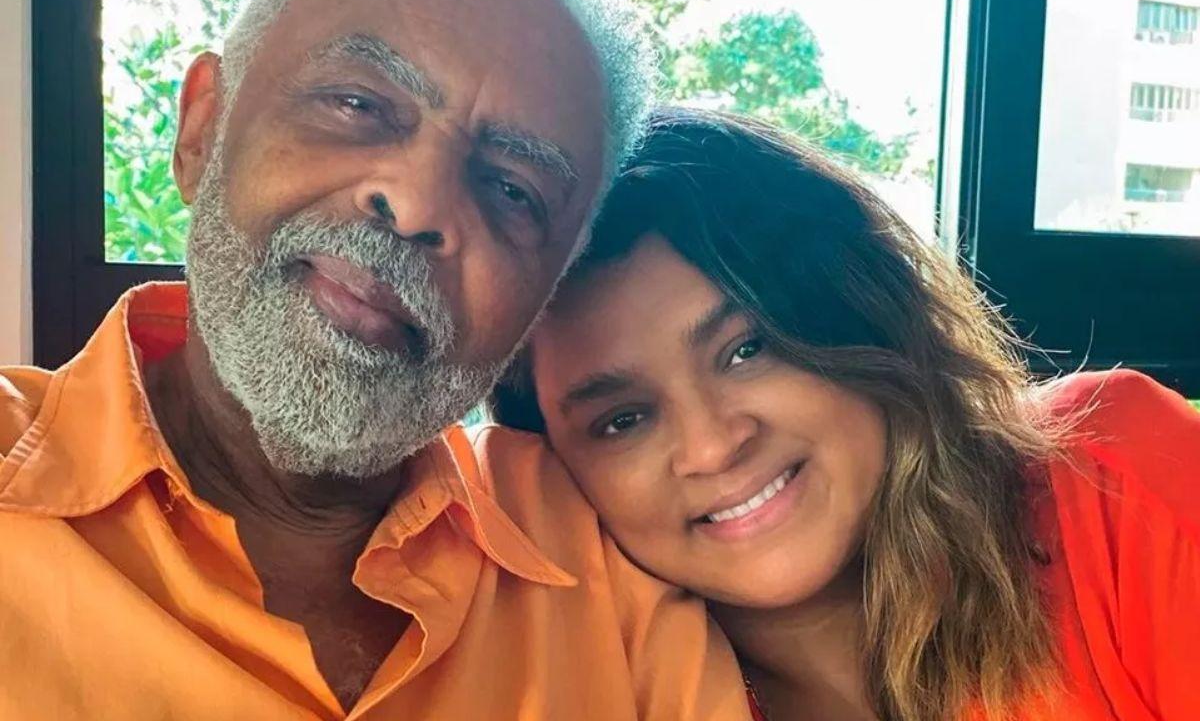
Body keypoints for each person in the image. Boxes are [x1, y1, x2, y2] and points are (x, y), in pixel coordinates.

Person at [0, 0, 751, 719]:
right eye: (357, 105)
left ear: (545, 296)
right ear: (201, 133)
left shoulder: (609, 568)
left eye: (512, 189)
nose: (418, 205)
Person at [494, 107, 1200, 720]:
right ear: (552, 465)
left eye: (747, 349)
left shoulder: (1105, 480)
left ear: (862, 310)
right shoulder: (597, 696)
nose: (711, 446)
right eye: (623, 420)